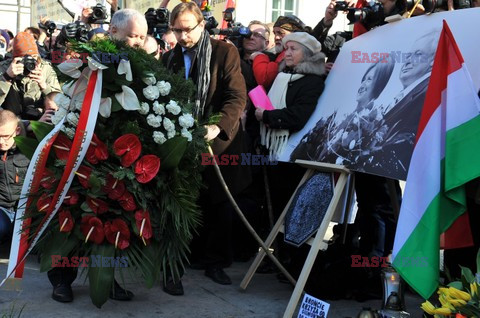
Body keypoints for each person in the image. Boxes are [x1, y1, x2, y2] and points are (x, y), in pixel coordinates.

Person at [162, 2, 249, 294]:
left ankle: (216, 262)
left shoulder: (225, 52)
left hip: (220, 141)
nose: (183, 36)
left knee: (220, 199)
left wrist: (218, 125)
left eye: (188, 29)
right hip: (184, 140)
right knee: (190, 197)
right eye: (177, 30)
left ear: (202, 25)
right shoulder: (170, 57)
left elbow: (237, 96)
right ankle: (192, 256)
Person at [371, 32, 438, 179]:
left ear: (434, 60)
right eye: (407, 55)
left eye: (417, 54)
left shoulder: (427, 93)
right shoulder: (410, 93)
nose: (407, 61)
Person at [0, 32, 61, 120]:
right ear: (14, 58)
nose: (29, 62)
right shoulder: (3, 68)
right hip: (10, 124)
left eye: (33, 57)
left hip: (40, 122)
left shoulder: (46, 69)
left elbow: (59, 104)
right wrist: (6, 78)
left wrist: (44, 86)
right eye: (24, 58)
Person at [250, 15, 307, 90]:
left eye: (281, 33)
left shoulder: (291, 55)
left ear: (294, 35)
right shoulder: (282, 53)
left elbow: (264, 79)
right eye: (275, 33)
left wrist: (259, 56)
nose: (276, 37)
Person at [0, 110, 28, 243]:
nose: (1, 141)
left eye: (5, 136)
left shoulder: (28, 149)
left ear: (17, 131)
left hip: (23, 209)